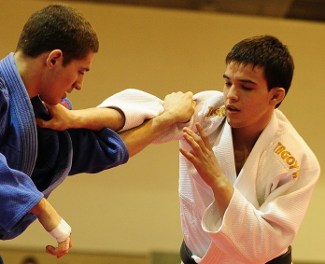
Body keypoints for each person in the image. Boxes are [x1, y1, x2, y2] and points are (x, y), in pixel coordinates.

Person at [41, 35, 320, 263]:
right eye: (227, 82)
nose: (231, 94)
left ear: (276, 95)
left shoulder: (298, 161)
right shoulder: (210, 110)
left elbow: (263, 245)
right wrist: (74, 118)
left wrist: (218, 180)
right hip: (195, 258)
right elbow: (144, 113)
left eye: (246, 87)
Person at [0, 4, 195, 262]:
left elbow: (103, 148)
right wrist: (44, 209)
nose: (79, 84)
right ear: (54, 59)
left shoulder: (40, 112)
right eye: (81, 71)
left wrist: (165, 119)